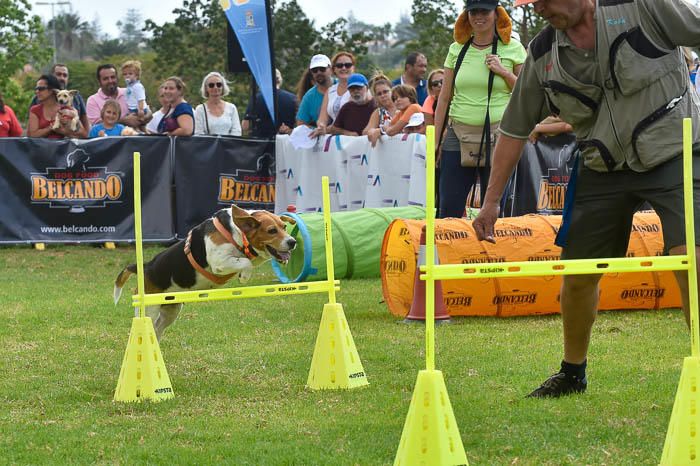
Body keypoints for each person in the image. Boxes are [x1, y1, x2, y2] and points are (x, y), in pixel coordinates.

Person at [472, 0, 700, 398]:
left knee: (690, 260)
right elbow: (513, 129)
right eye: (533, 3)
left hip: (674, 152)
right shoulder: (542, 53)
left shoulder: (643, 7)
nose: (540, 8)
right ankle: (572, 373)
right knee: (576, 277)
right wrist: (491, 202)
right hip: (601, 164)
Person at [434, 0, 526, 218]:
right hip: (457, 134)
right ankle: (450, 251)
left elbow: (527, 93)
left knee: (492, 208)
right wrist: (436, 143)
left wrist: (504, 72)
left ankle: (491, 252)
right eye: (473, 11)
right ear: (467, 15)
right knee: (448, 207)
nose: (478, 16)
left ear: (496, 14)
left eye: (484, 11)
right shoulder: (456, 49)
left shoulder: (513, 48)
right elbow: (445, 98)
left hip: (500, 135)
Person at [29, 63, 89, 136]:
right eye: (58, 74)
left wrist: (66, 130)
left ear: (51, 89)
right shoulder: (36, 103)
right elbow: (31, 134)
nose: (62, 78)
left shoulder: (70, 106)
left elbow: (84, 131)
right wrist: (51, 128)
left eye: (65, 75)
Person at [86, 64, 146, 130]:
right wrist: (124, 121)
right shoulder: (93, 101)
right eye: (105, 79)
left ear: (117, 78)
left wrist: (141, 118)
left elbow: (148, 112)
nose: (110, 81)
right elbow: (97, 125)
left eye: (113, 77)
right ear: (99, 82)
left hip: (134, 138)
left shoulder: (128, 92)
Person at [310, 51, 357, 137]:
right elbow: (322, 119)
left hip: (356, 137)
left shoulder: (361, 88)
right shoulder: (330, 91)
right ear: (334, 69)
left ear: (353, 68)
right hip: (336, 139)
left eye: (348, 65)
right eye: (339, 65)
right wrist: (321, 126)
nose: (343, 68)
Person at [242, 69, 297, 138]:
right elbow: (300, 124)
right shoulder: (293, 98)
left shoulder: (256, 98)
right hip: (285, 142)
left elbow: (245, 126)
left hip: (260, 144)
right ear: (279, 80)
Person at [194, 72, 241, 136]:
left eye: (219, 84)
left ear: (223, 87)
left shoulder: (232, 108)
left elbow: (237, 131)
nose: (215, 87)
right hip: (208, 145)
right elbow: (198, 133)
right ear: (206, 88)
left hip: (229, 145)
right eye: (211, 85)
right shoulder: (200, 109)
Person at [296, 54, 333, 128]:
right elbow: (300, 124)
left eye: (322, 69)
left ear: (330, 69)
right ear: (311, 73)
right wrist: (316, 130)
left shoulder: (342, 86)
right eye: (315, 70)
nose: (319, 72)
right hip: (322, 137)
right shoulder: (309, 96)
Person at [27, 74, 69, 139]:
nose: (37, 91)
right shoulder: (35, 110)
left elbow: (83, 133)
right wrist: (51, 128)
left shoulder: (66, 109)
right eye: (36, 89)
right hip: (40, 148)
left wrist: (66, 128)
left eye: (40, 89)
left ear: (52, 90)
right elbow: (33, 135)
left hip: (62, 148)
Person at [363, 74, 397, 147]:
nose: (383, 96)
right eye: (379, 94)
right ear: (376, 97)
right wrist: (372, 131)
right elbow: (366, 132)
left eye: (385, 92)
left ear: (392, 90)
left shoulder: (402, 107)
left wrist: (381, 130)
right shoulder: (378, 112)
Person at [121, 60, 150, 130]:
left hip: (138, 109)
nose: (127, 76)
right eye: (125, 74)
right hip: (132, 108)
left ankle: (141, 132)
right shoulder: (130, 86)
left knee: (136, 123)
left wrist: (140, 109)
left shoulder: (137, 86)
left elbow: (141, 99)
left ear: (136, 76)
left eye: (130, 74)